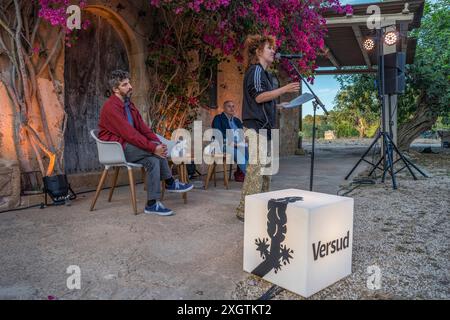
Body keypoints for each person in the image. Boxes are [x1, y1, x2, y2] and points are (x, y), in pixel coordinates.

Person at [98, 70, 193, 216]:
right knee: (155, 151)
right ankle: (169, 181)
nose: (130, 86)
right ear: (115, 89)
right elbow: (129, 134)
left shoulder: (129, 105)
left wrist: (156, 143)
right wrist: (153, 147)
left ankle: (152, 204)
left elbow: (143, 128)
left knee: (153, 160)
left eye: (129, 82)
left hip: (129, 145)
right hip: (117, 148)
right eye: (125, 85)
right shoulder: (111, 107)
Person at [235, 35, 300, 221]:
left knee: (265, 173)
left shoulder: (264, 74)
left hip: (264, 129)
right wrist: (284, 90)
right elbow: (258, 97)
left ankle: (261, 206)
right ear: (258, 51)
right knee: (256, 171)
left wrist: (278, 106)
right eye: (269, 47)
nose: (273, 51)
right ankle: (244, 211)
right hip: (255, 128)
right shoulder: (255, 70)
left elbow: (264, 101)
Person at [211, 100, 248, 182]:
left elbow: (241, 135)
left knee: (249, 149)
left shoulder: (237, 121)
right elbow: (217, 134)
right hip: (222, 145)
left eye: (233, 106)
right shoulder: (218, 118)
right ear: (224, 108)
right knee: (236, 152)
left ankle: (250, 173)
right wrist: (231, 142)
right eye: (229, 106)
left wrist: (243, 141)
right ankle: (251, 177)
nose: (231, 108)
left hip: (237, 145)